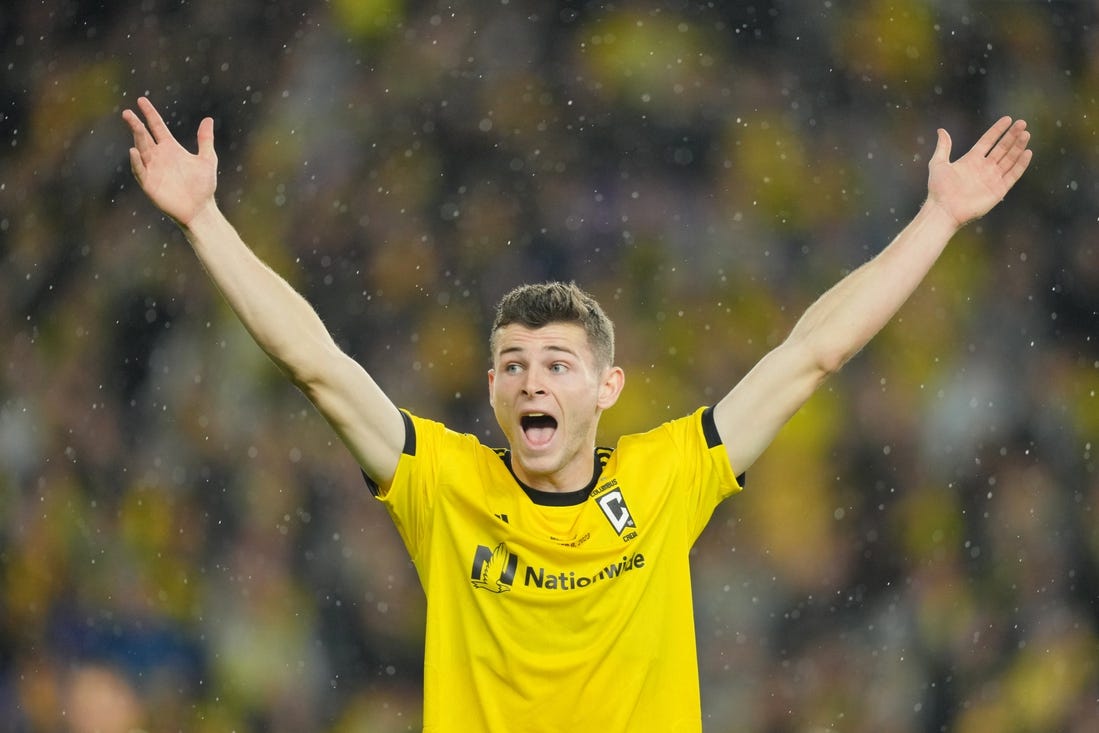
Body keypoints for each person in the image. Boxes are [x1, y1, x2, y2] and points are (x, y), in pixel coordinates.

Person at [122, 96, 1032, 731]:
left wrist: (937, 221)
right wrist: (203, 220)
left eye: (558, 365)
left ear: (607, 388)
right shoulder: (442, 484)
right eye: (512, 365)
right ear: (489, 389)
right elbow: (316, 364)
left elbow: (811, 352)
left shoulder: (668, 474)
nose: (531, 383)